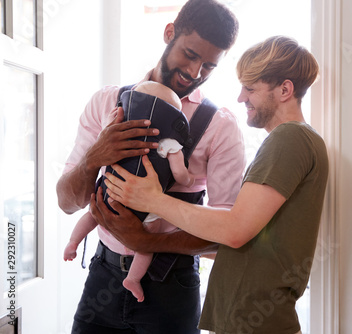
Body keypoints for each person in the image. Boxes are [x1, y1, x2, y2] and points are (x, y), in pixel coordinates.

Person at [93, 36, 329, 334]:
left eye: (251, 88)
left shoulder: (289, 139)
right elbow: (246, 234)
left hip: (257, 321)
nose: (241, 97)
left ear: (285, 90)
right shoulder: (296, 141)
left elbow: (234, 229)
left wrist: (154, 200)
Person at [56, 0, 245, 333]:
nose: (194, 73)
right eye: (190, 54)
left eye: (209, 66)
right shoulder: (106, 102)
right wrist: (94, 157)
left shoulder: (221, 127)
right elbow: (67, 202)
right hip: (102, 276)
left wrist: (148, 241)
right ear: (169, 33)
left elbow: (227, 237)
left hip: (173, 288)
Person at [64, 81, 195, 303]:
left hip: (109, 192)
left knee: (92, 215)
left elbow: (101, 140)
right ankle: (133, 279)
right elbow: (181, 175)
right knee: (147, 241)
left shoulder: (115, 127)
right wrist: (188, 179)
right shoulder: (169, 143)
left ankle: (73, 243)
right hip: (144, 208)